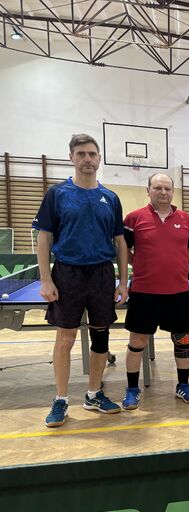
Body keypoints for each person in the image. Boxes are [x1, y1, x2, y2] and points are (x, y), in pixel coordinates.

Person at [33, 133, 129, 427]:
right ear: (71, 158)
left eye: (92, 154)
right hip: (67, 274)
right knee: (66, 338)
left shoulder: (111, 198)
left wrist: (122, 282)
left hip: (101, 274)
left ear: (99, 159)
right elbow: (44, 238)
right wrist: (46, 280)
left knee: (101, 336)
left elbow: (120, 242)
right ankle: (61, 399)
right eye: (81, 154)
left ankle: (93, 394)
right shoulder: (57, 194)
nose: (87, 159)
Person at [121, 173, 189, 409]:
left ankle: (183, 385)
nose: (163, 192)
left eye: (167, 188)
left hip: (178, 293)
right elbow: (123, 250)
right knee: (137, 341)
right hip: (144, 292)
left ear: (173, 192)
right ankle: (132, 389)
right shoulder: (134, 218)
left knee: (182, 340)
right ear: (148, 191)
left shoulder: (186, 220)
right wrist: (140, 264)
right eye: (157, 188)